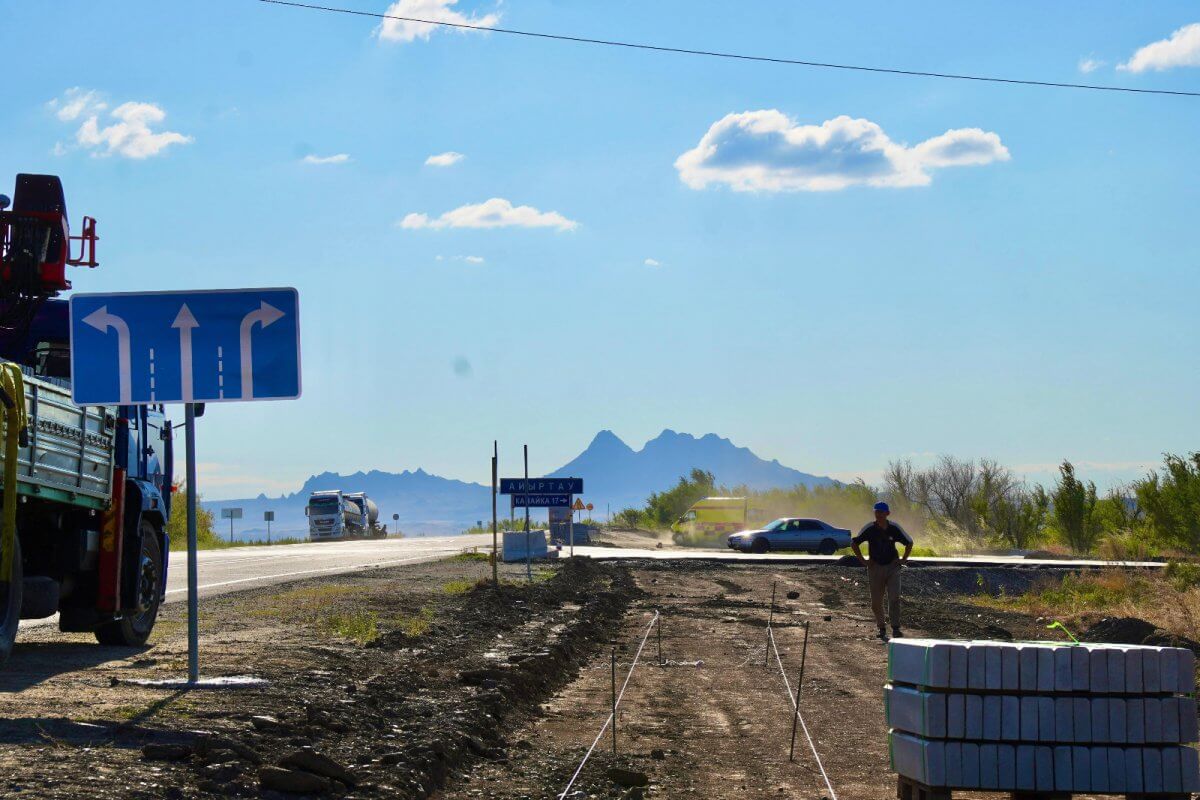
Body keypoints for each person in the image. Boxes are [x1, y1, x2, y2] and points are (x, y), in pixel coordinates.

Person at [851, 501, 913, 641]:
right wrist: (863, 561)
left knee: (894, 598)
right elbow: (854, 543)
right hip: (875, 568)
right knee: (876, 602)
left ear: (887, 513)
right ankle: (881, 627)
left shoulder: (894, 528)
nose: (878, 514)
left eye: (881, 512)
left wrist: (903, 559)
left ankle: (896, 628)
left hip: (892, 567)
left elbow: (909, 542)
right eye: (876, 511)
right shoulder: (869, 528)